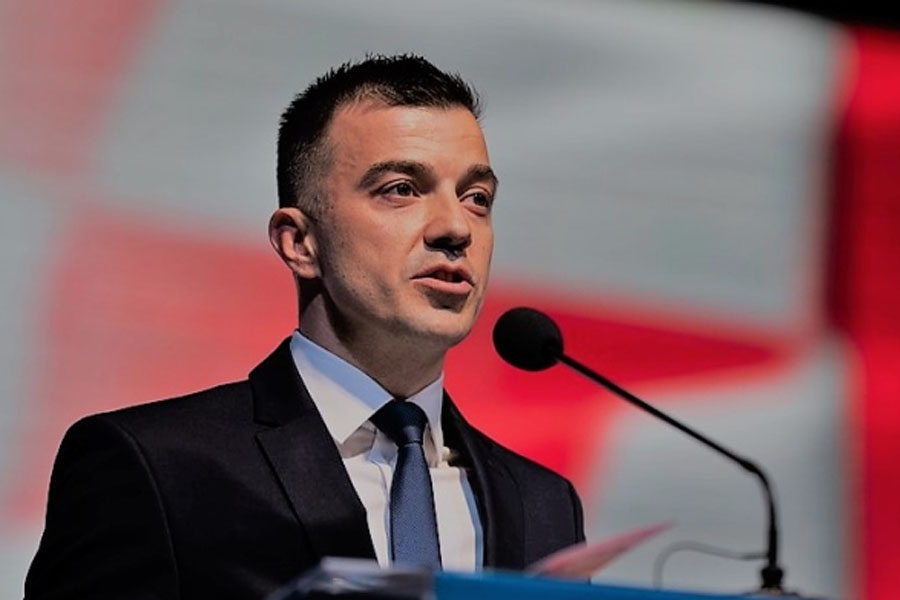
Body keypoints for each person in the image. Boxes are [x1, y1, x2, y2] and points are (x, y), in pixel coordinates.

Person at [24, 54, 585, 600]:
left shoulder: (545, 504)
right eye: (401, 189)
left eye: (476, 198)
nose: (456, 228)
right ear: (300, 242)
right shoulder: (158, 465)